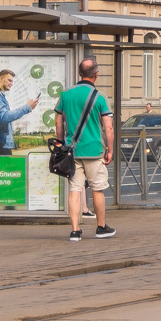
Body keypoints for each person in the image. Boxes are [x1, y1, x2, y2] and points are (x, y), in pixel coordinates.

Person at [55, 57, 115, 241]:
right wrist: (110, 150)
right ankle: (101, 227)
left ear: (79, 73)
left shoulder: (66, 95)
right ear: (96, 74)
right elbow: (108, 126)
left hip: (72, 151)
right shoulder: (100, 97)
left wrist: (60, 142)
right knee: (97, 188)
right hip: (94, 151)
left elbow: (58, 121)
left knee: (75, 189)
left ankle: (75, 231)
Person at [0, 70, 39, 155]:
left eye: (12, 81)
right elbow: (5, 116)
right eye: (9, 80)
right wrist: (27, 107)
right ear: (1, 78)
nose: (11, 83)